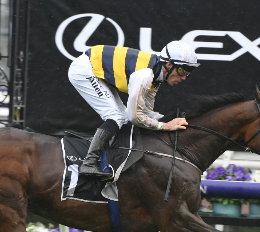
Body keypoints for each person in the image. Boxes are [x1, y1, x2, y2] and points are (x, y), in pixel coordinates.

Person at [68, 41, 198, 178]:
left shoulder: (156, 76)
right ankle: (89, 163)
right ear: (169, 65)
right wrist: (165, 126)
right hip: (85, 70)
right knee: (116, 116)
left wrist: (169, 121)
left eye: (188, 72)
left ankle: (108, 156)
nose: (184, 77)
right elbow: (135, 117)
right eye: (182, 70)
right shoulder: (145, 75)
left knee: (121, 118)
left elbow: (146, 112)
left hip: (96, 69)